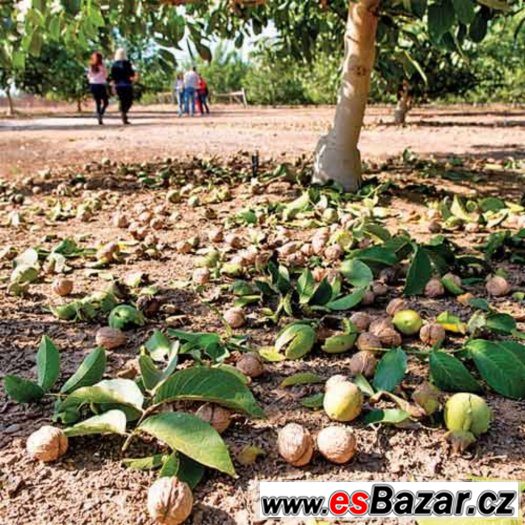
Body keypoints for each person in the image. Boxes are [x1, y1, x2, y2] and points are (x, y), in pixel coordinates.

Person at [110, 48, 137, 125]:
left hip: (119, 85)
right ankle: (124, 112)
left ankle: (123, 112)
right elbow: (131, 74)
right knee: (129, 101)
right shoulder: (127, 64)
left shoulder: (114, 65)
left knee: (122, 100)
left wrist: (113, 86)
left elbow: (112, 77)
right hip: (127, 85)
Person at [87, 52, 108, 125]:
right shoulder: (102, 66)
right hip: (101, 84)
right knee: (105, 102)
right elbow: (106, 76)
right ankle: (100, 114)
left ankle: (99, 116)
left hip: (93, 85)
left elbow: (88, 76)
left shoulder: (91, 66)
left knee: (98, 102)